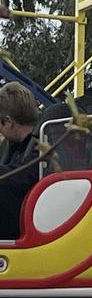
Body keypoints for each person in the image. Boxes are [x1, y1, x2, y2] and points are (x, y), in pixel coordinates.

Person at [0, 82, 40, 239]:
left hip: (25, 223)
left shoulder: (43, 147)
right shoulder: (11, 148)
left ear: (9, 122)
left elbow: (23, 175)